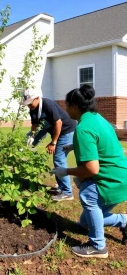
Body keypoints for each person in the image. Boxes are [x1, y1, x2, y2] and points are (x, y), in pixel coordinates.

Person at [50, 84, 127, 258]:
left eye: (67, 105)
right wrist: (73, 146)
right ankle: (125, 221)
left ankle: (98, 246)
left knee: (88, 195)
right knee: (86, 222)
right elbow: (100, 143)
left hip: (110, 181)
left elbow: (92, 169)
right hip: (122, 177)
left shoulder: (83, 128)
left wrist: (65, 171)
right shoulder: (96, 118)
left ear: (75, 107)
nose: (65, 108)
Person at [22, 89, 76, 201]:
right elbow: (35, 125)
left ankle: (67, 192)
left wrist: (53, 142)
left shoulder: (48, 105)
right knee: (58, 159)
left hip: (66, 131)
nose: (29, 106)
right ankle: (62, 187)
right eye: (27, 104)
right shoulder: (33, 109)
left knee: (59, 159)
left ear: (37, 98)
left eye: (30, 103)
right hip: (53, 129)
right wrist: (31, 137)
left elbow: (58, 123)